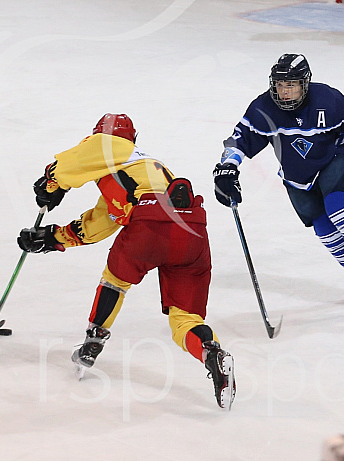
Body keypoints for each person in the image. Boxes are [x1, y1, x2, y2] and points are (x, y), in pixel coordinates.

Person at [17, 113, 235, 409]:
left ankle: (93, 342)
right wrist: (53, 237)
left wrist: (52, 183)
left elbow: (70, 163)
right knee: (185, 319)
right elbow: (98, 224)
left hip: (151, 224)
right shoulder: (139, 170)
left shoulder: (108, 145)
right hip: (193, 232)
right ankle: (211, 352)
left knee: (115, 281)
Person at [213, 54, 344, 303]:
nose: (283, 91)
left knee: (340, 208)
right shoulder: (263, 108)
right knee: (325, 230)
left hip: (333, 159)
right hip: (297, 176)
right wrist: (227, 169)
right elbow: (240, 138)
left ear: (305, 83)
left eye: (291, 85)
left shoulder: (328, 99)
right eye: (279, 84)